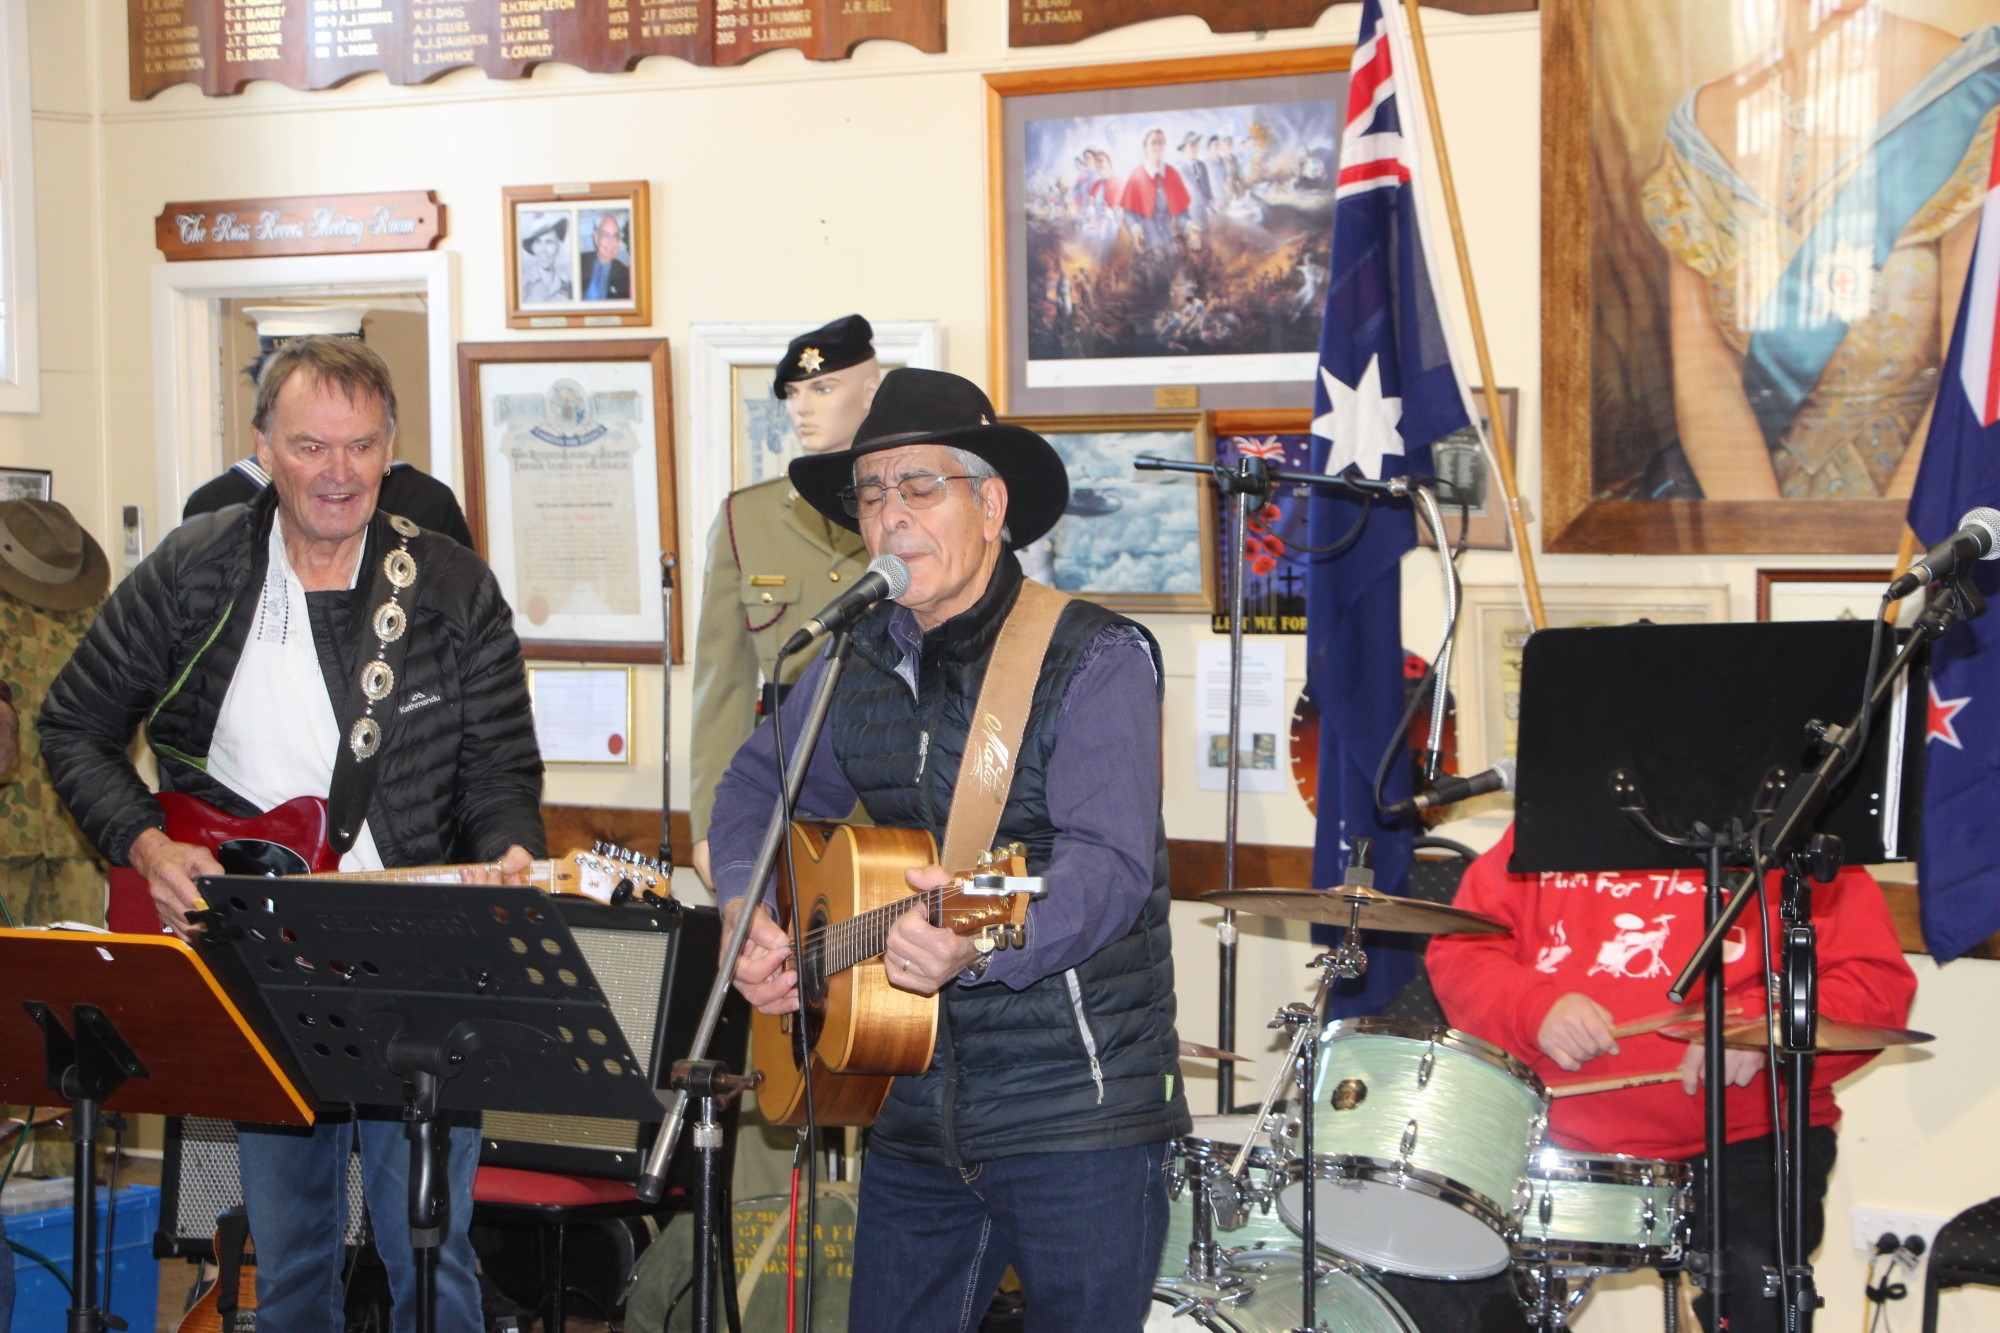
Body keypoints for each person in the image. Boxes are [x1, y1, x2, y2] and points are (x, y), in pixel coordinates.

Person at [40, 336, 546, 1333]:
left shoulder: (449, 587)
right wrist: (146, 842)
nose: (338, 472)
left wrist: (512, 849)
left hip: (422, 961)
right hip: (259, 954)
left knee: (431, 1270)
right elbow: (73, 724)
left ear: (390, 447)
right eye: (311, 445)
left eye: (360, 446)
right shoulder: (194, 569)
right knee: (292, 1262)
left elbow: (500, 771)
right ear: (262, 444)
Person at [708, 368, 1190, 1329]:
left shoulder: (1093, 656)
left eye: (920, 486)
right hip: (914, 1100)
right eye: (873, 493)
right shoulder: (857, 657)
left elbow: (1109, 866)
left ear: (992, 504)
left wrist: (976, 932)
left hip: (1076, 1111)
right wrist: (745, 910)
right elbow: (754, 788)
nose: (891, 517)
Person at [1416, 824, 1917, 1333]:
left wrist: (1768, 1029)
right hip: (1553, 1131)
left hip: (1746, 1138)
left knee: (1757, 1284)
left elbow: (1873, 986)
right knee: (1441, 1269)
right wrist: (1533, 1007)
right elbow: (1462, 951)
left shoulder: (1791, 831)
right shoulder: (1551, 822)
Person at [1642, 4, 2000, 499]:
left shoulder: (1968, 95)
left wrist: (1884, 561)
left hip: (1920, 523)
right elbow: (1707, 384)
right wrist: (1769, 552)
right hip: (1754, 528)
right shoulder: (1700, 128)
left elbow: (1974, 383)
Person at [687, 314, 878, 887]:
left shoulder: (910, 510)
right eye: (793, 394)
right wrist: (710, 824)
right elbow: (722, 687)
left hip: (884, 795)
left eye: (823, 388)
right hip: (774, 792)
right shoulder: (745, 518)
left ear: (871, 391)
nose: (803, 408)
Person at [0, 499, 108, 932]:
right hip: (27, 828)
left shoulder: (98, 615)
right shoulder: (100, 616)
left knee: (75, 977)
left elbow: (125, 714)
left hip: (75, 831)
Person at [1117, 127, 1192, 258]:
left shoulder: (1172, 174)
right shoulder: (1136, 176)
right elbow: (1128, 214)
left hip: (1170, 239)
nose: (1158, 147)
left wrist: (1189, 225)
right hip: (1146, 243)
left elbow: (1181, 213)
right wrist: (1135, 229)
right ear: (1145, 147)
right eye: (1153, 143)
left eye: (1161, 143)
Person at [519, 213, 571, 304]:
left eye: (549, 242)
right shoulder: (523, 284)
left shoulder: (568, 285)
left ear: (558, 247)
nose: (543, 250)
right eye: (538, 242)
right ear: (533, 247)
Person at [580, 212, 632, 302]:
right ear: (596, 238)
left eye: (615, 236)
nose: (611, 242)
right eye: (606, 235)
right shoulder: (580, 262)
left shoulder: (622, 272)